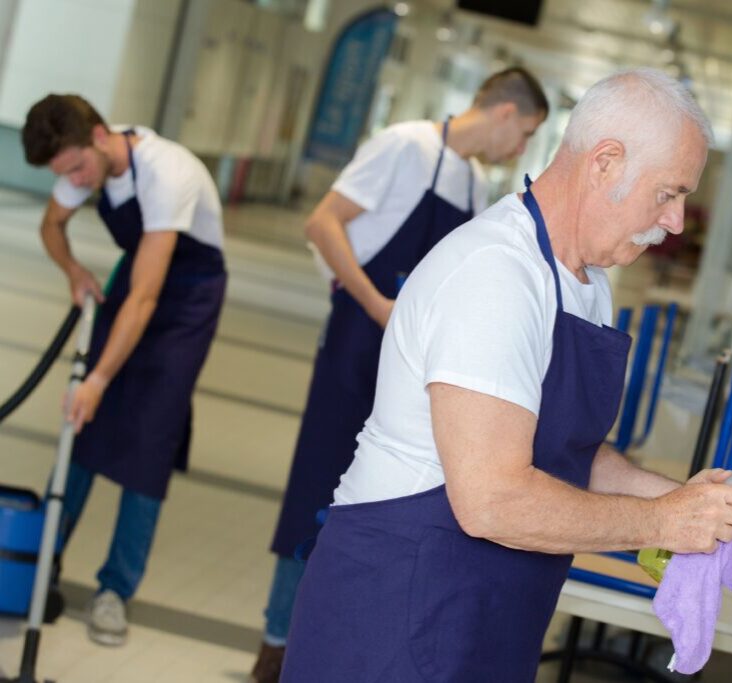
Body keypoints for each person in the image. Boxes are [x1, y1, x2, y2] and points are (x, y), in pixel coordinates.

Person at [280, 67, 732, 682]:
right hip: (398, 608)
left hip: (489, 608)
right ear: (605, 162)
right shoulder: (496, 275)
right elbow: (492, 501)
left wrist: (677, 498)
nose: (677, 222)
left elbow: (561, 448)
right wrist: (662, 524)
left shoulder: (585, 285)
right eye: (669, 193)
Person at [250, 67, 548, 681]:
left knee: (389, 496)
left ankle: (347, 638)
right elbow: (322, 223)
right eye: (525, 134)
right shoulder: (404, 144)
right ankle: (278, 642)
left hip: (412, 357)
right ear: (503, 114)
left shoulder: (468, 182)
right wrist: (374, 303)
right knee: (318, 487)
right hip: (360, 339)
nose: (520, 150)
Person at [21, 94, 226, 646]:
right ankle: (40, 564)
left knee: (148, 442)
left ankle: (116, 590)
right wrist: (72, 270)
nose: (76, 184)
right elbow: (51, 225)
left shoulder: (167, 173)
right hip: (138, 277)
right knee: (81, 424)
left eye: (78, 170)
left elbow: (145, 298)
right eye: (64, 175)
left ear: (100, 135)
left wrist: (100, 378)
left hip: (186, 300)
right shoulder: (82, 160)